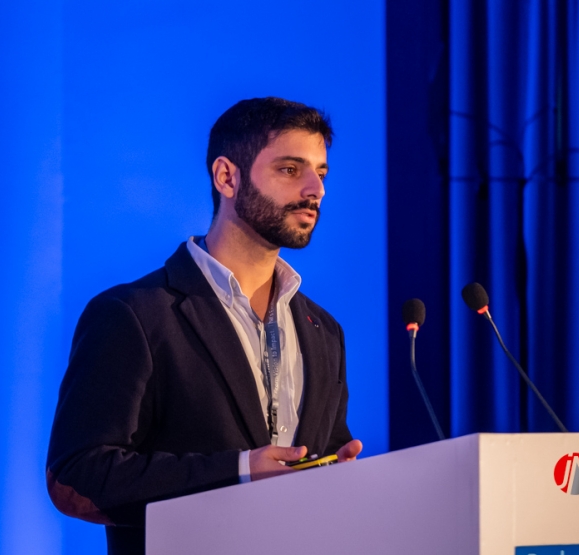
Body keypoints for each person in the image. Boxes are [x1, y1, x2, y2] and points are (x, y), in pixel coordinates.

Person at [46, 97, 363, 555]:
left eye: (321, 173)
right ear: (227, 177)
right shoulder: (134, 314)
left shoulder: (323, 330)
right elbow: (77, 476)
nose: (316, 190)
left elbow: (322, 459)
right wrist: (239, 472)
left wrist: (340, 476)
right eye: (291, 169)